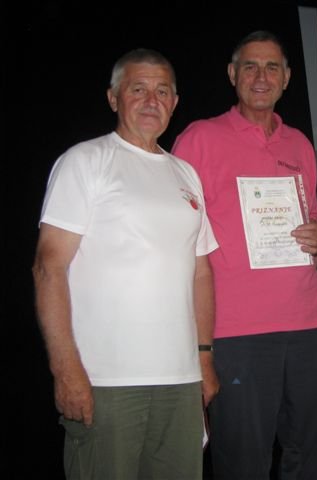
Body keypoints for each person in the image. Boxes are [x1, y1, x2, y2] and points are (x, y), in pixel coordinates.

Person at [32, 48, 219, 480]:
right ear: (114, 97)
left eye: (162, 91)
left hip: (181, 380)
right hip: (106, 381)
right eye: (138, 90)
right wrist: (66, 370)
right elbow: (48, 269)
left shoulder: (186, 174)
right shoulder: (85, 161)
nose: (152, 101)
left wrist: (204, 360)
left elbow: (201, 273)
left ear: (175, 102)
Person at [172, 30, 317, 479]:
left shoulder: (299, 144)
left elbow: (310, 227)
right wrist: (195, 341)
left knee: (315, 455)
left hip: (311, 324)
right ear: (232, 74)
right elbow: (177, 239)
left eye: (271, 67)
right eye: (250, 66)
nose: (261, 77)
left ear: (287, 77)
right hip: (236, 331)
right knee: (243, 460)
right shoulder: (199, 138)